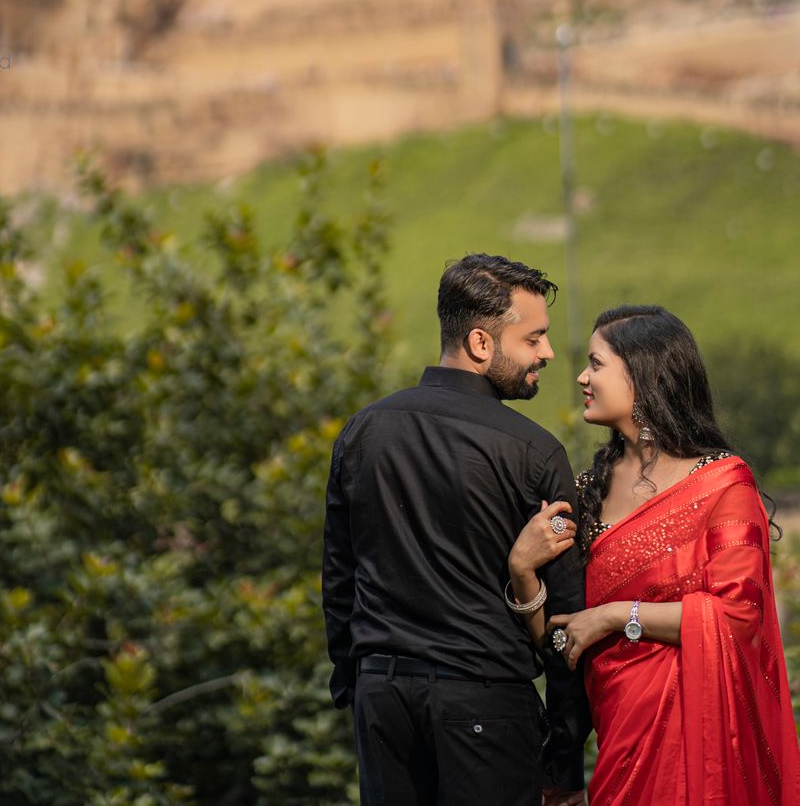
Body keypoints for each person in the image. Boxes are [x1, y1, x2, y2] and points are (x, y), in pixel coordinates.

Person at [321, 252, 591, 806]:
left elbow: (338, 579)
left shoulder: (363, 431)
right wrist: (563, 754)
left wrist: (357, 685)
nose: (547, 352)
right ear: (480, 343)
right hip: (484, 706)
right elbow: (567, 616)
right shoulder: (534, 452)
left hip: (382, 700)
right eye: (534, 338)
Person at [507, 305, 800, 806]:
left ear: (644, 377)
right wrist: (522, 574)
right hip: (619, 735)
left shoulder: (721, 486)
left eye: (596, 364)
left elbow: (738, 617)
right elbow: (563, 644)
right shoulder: (588, 494)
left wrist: (617, 616)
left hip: (698, 741)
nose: (581, 376)